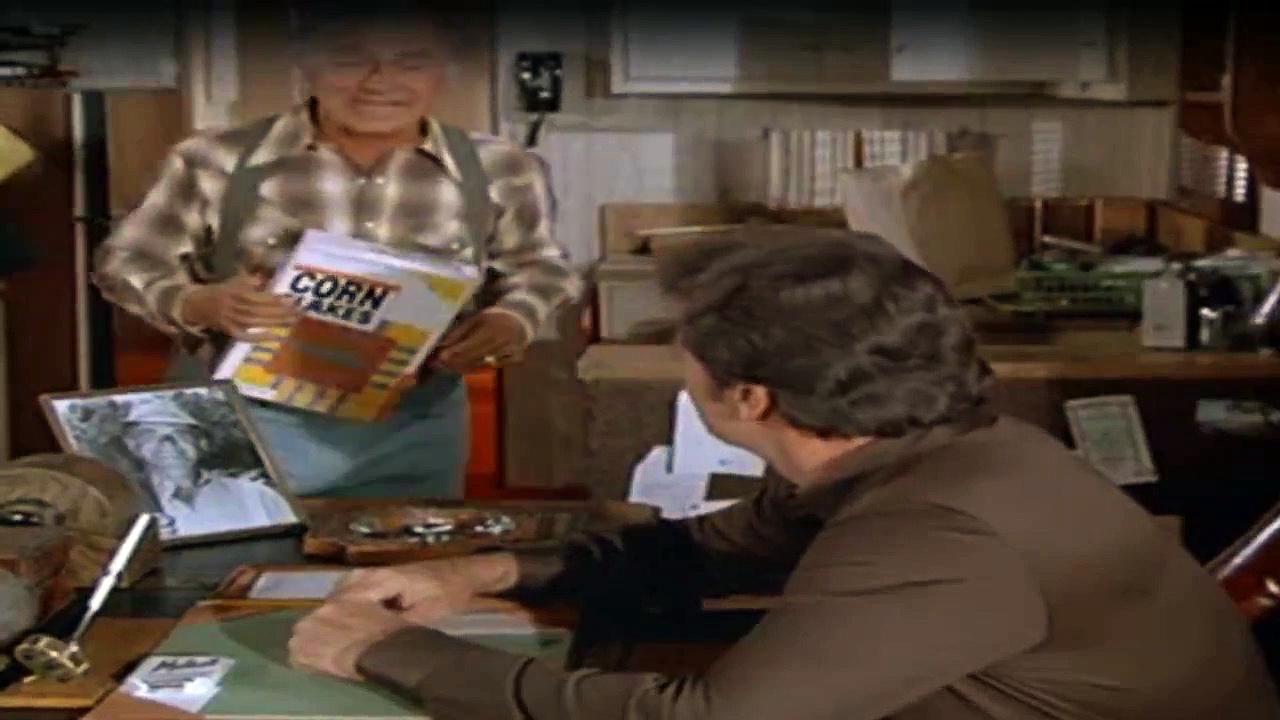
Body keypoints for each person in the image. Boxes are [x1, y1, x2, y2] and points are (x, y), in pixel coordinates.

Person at [289, 227, 1280, 719]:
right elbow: (709, 550)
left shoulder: (937, 529)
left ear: (747, 398)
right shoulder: (934, 447)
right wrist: (481, 573)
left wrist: (385, 654)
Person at [93, 4, 580, 498]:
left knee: (405, 550)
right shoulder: (214, 159)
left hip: (416, 429)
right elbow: (127, 261)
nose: (379, 81)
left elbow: (539, 268)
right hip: (241, 417)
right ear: (306, 63)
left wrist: (512, 318)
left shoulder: (501, 167)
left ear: (443, 70)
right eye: (349, 58)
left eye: (411, 61)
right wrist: (198, 303)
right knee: (234, 547)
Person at [119, 399, 294, 540]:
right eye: (150, 435)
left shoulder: (257, 496)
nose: (168, 445)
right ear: (133, 445)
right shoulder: (122, 508)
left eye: (180, 433)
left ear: (201, 442)